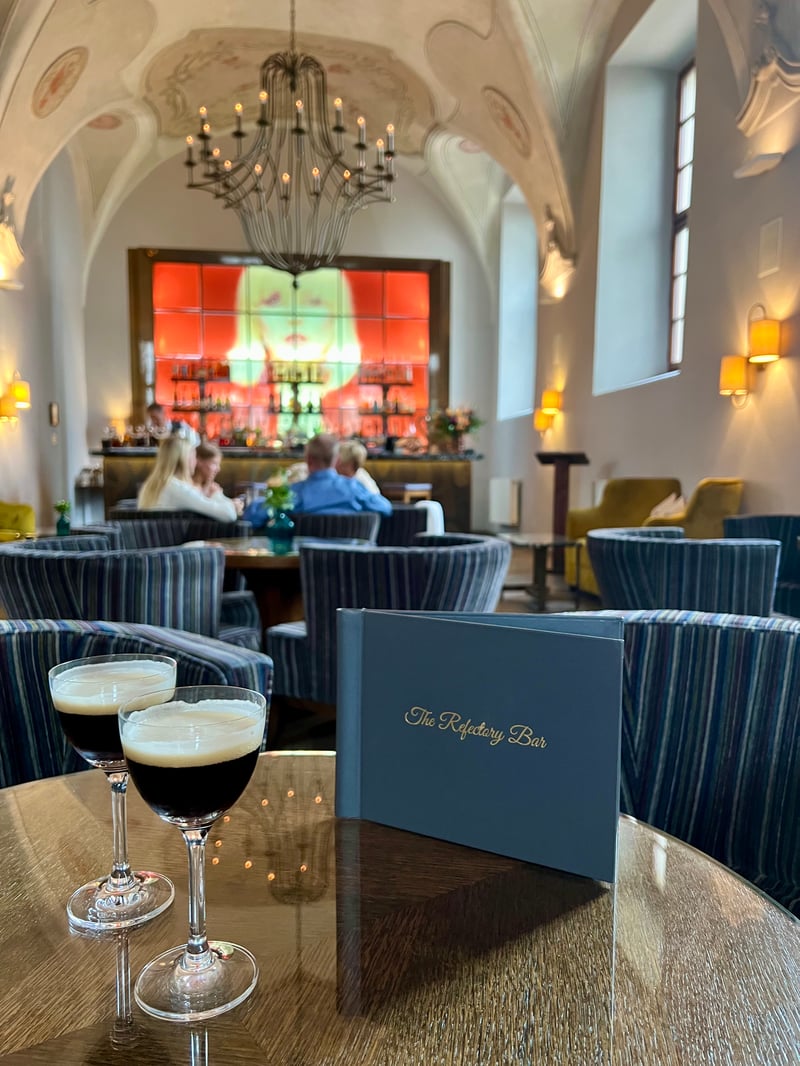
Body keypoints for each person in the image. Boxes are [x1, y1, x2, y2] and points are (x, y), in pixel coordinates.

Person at [227, 266, 362, 437]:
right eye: (273, 300)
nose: (295, 318)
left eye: (314, 301)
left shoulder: (347, 394)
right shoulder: (244, 393)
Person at [243, 434, 392, 528]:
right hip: (351, 563)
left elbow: (253, 516)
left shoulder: (294, 493)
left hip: (304, 565)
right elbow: (386, 508)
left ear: (308, 459)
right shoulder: (354, 489)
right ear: (337, 460)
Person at [138, 435, 238, 520]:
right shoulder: (176, 488)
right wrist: (216, 494)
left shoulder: (152, 485)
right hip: (174, 537)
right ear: (184, 459)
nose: (195, 461)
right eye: (194, 456)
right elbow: (229, 514)